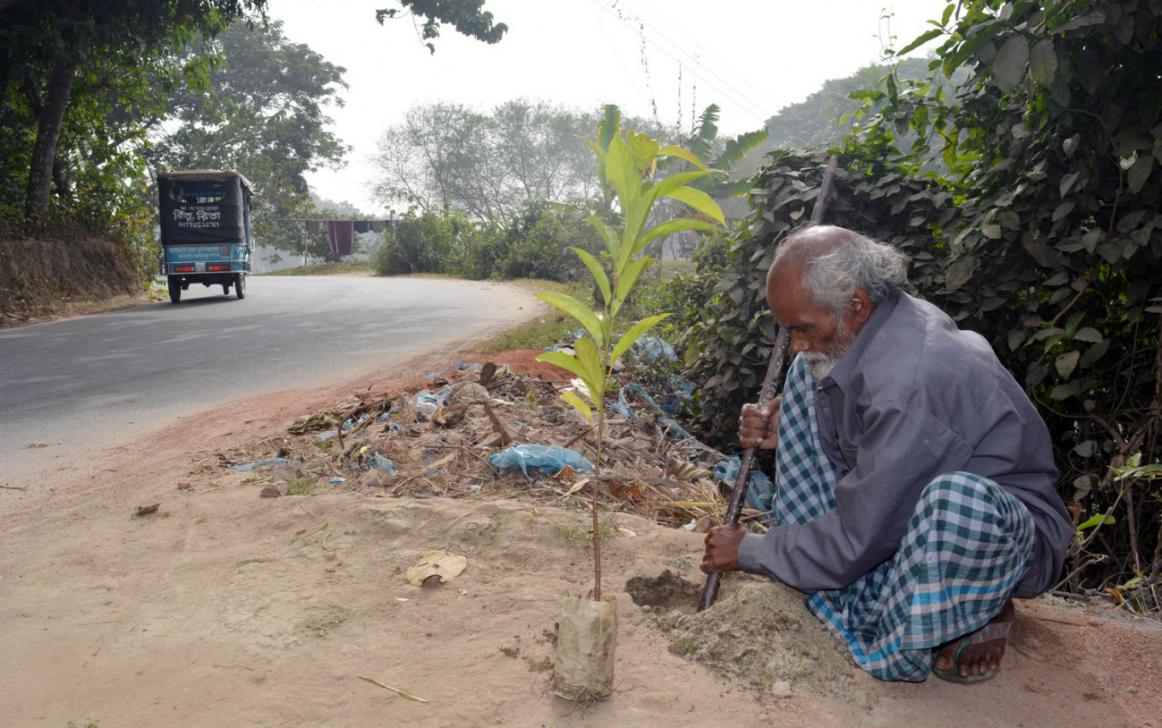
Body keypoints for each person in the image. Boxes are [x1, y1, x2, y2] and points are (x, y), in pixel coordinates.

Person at [700, 225, 1072, 683]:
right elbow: (862, 439)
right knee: (804, 377)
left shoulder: (912, 379)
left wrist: (752, 550)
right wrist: (790, 424)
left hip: (999, 535)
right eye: (787, 329)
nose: (794, 341)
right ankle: (848, 581)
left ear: (856, 305)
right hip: (906, 500)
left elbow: (862, 532)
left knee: (956, 502)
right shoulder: (880, 321)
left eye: (802, 327)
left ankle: (972, 607)